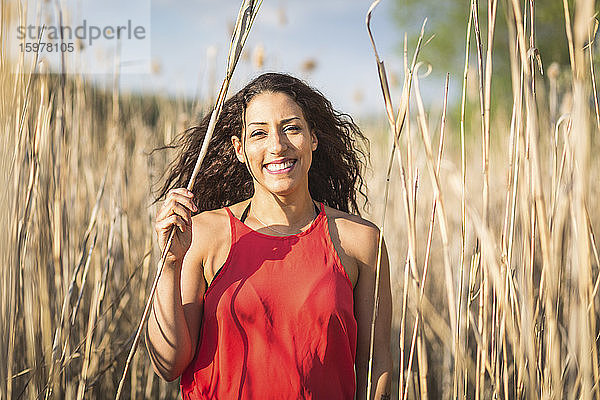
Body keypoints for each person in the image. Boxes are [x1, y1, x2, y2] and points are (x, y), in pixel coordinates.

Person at [146, 72, 392, 399]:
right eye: (259, 133)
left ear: (313, 138)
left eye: (291, 128)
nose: (277, 146)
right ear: (239, 149)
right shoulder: (203, 233)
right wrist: (169, 265)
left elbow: (375, 363)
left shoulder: (360, 241)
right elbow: (168, 364)